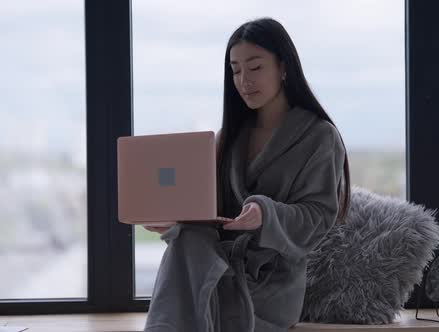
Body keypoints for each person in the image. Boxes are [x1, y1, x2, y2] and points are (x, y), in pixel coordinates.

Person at [143, 17, 351, 332]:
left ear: (283, 68)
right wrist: (175, 222)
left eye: (255, 68)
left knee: (198, 294)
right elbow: (207, 212)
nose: (244, 80)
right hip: (219, 265)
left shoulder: (319, 137)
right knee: (187, 239)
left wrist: (264, 215)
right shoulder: (228, 138)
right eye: (236, 70)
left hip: (272, 282)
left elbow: (318, 217)